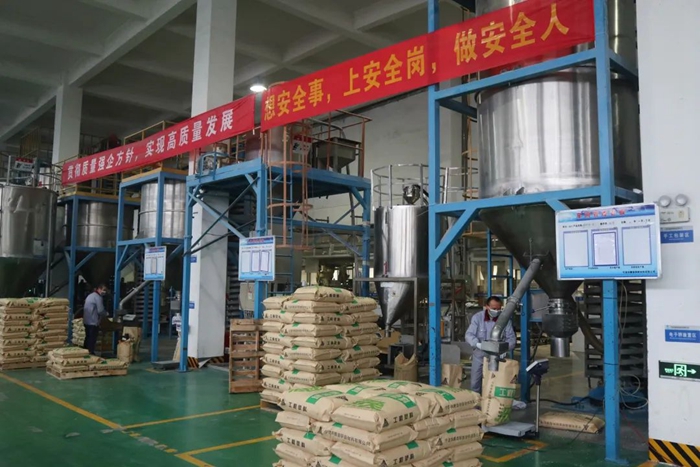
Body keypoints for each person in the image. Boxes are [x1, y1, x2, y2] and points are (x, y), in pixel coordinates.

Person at [465, 296, 516, 394]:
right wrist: (478, 344)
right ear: (487, 307)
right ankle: (476, 401)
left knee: (497, 384)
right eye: (494, 308)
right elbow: (469, 335)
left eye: (499, 308)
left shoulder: (505, 320)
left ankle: (492, 401)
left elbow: (512, 339)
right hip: (480, 355)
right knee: (475, 383)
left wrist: (504, 349)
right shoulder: (478, 318)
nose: (496, 311)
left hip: (498, 356)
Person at [83, 284, 108, 355]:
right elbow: (100, 310)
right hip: (93, 321)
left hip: (87, 320)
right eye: (104, 290)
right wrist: (106, 314)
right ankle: (90, 352)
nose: (104, 292)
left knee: (87, 337)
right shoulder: (98, 297)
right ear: (99, 289)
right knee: (92, 338)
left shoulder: (90, 296)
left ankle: (85, 352)